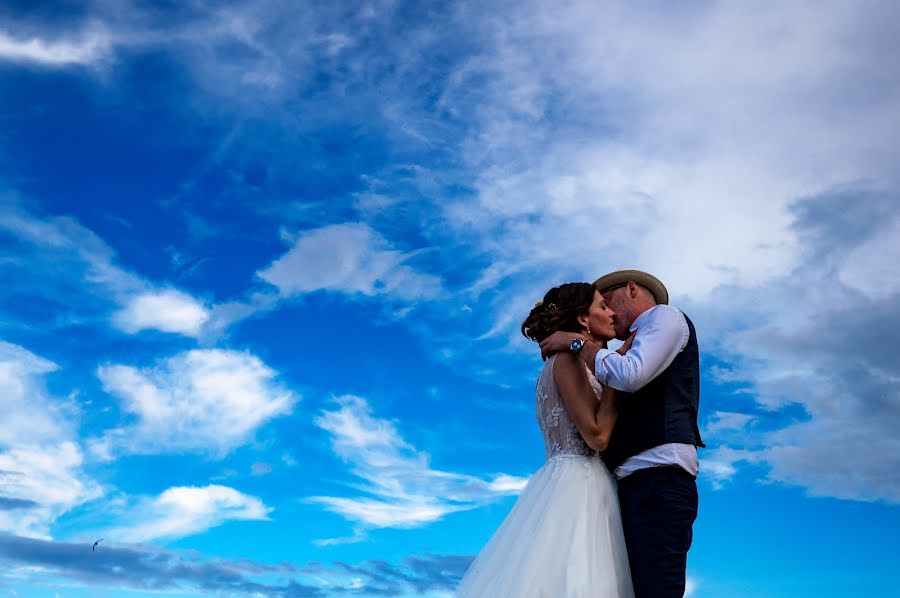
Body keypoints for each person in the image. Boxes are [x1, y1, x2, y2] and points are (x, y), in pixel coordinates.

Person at [456, 282, 635, 598]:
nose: (611, 313)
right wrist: (615, 381)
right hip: (579, 486)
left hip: (573, 480)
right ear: (582, 319)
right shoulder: (568, 360)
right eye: (602, 306)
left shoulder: (569, 360)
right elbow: (597, 436)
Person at [540, 270, 704, 598]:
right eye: (602, 306)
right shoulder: (591, 360)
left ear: (631, 289)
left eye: (608, 300)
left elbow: (629, 376)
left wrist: (577, 343)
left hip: (658, 479)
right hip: (626, 487)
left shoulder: (664, 316)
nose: (611, 313)